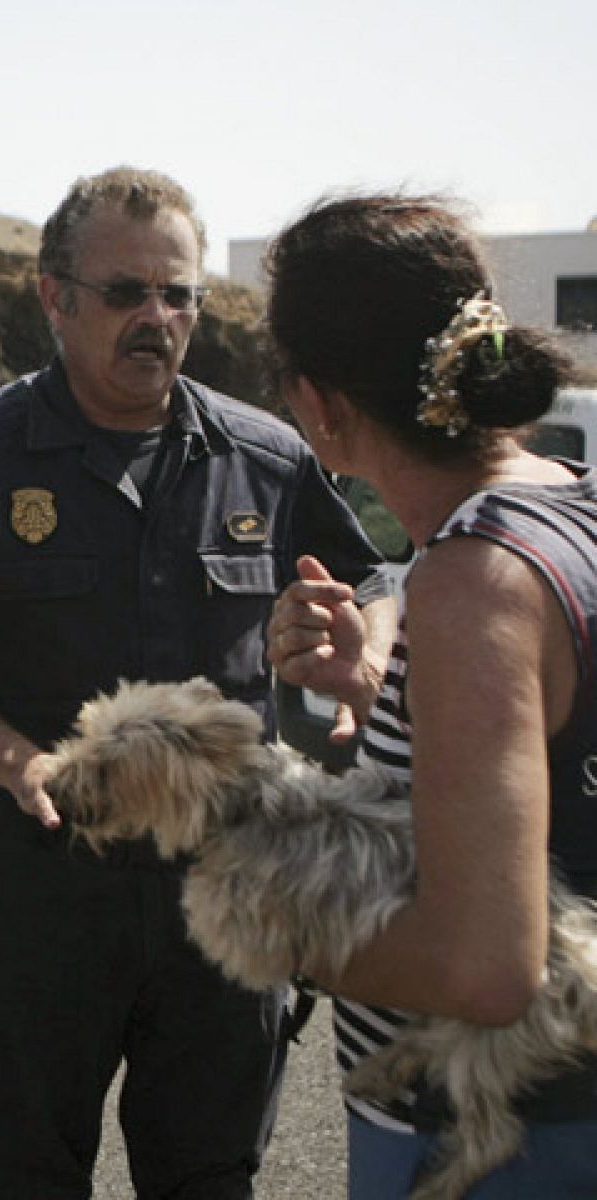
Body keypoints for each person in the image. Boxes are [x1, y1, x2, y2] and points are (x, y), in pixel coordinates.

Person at [0, 166, 395, 1197]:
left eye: (177, 293)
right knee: (30, 1172)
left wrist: (358, 643)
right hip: (43, 882)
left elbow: (369, 581)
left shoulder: (264, 458)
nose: (156, 318)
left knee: (208, 1173)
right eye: (125, 293)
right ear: (52, 295)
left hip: (222, 882)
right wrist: (19, 762)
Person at [264, 194, 597, 1197]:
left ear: (319, 408)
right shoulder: (568, 503)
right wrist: (380, 694)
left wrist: (263, 927)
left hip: (498, 1141)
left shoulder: (472, 581)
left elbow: (482, 968)